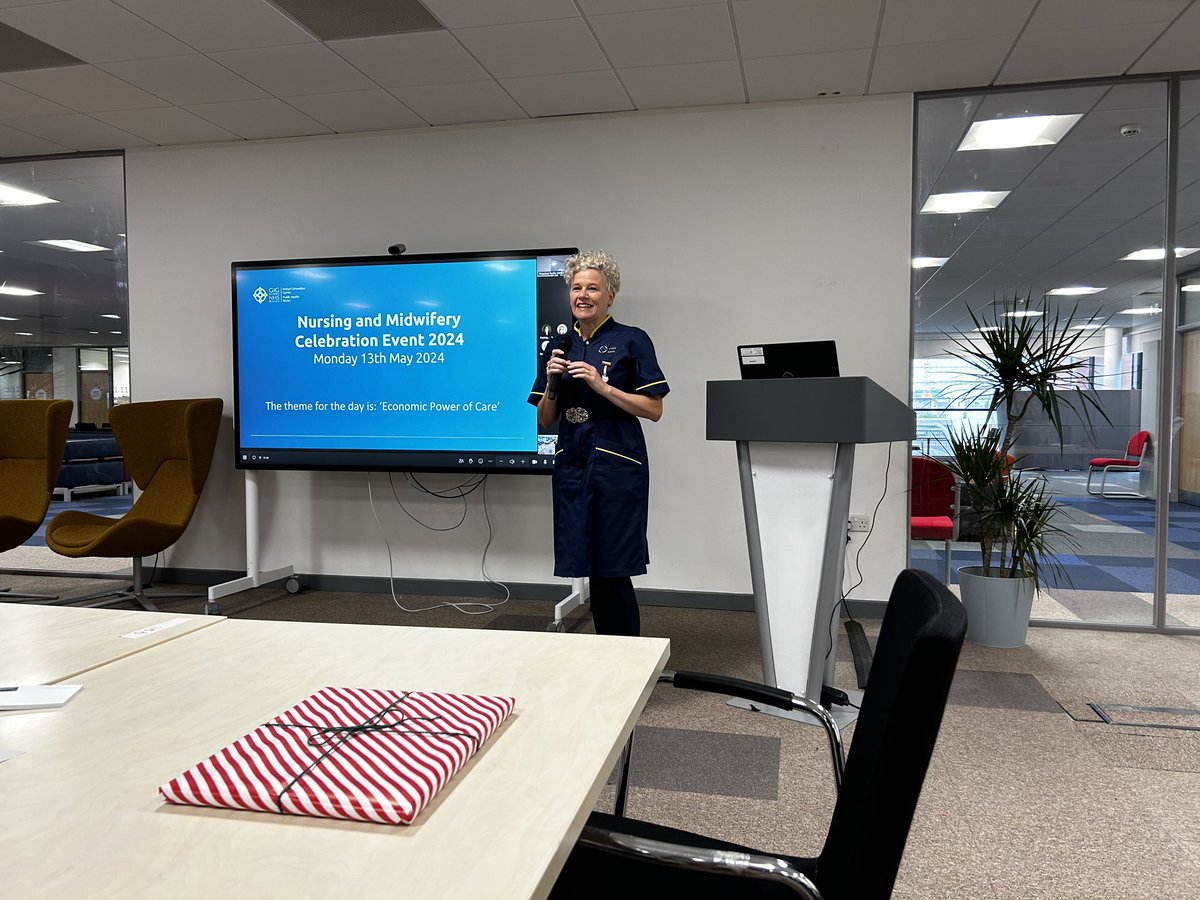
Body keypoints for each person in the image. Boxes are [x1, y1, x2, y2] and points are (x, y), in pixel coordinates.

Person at [527, 250, 669, 636]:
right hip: (572, 466)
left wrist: (601, 385)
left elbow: (653, 409)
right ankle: (601, 658)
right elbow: (545, 419)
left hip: (616, 467)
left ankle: (627, 659)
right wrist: (553, 385)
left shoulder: (632, 340)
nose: (582, 295)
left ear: (611, 295)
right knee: (585, 563)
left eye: (593, 287)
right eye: (576, 288)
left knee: (613, 569)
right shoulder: (558, 347)